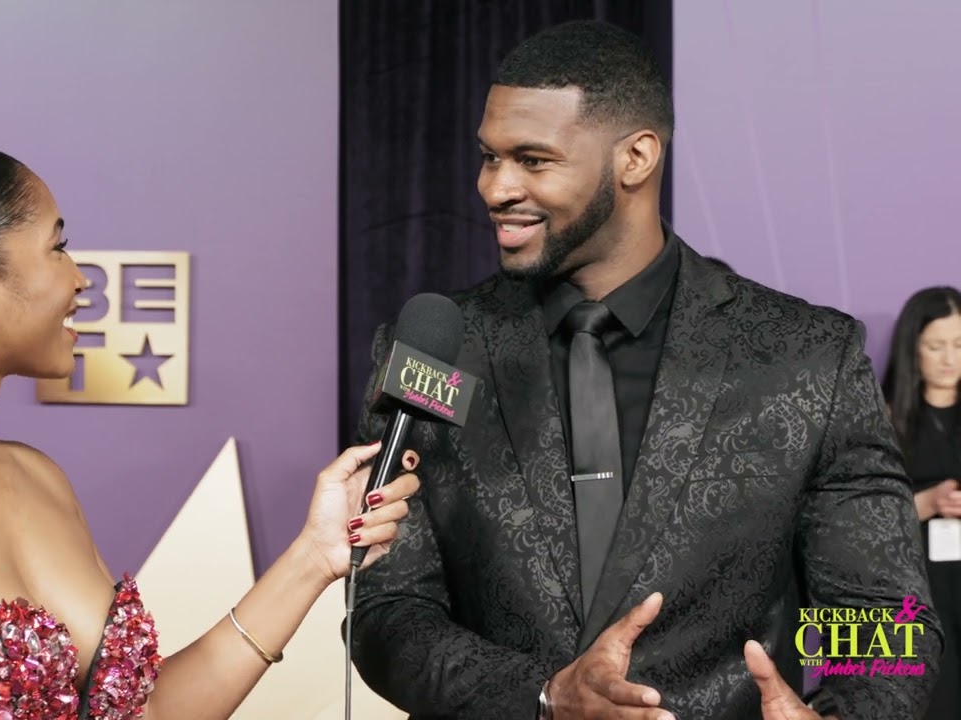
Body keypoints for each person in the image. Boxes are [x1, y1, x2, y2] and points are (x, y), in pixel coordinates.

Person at [347, 20, 941, 720]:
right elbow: (389, 607)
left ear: (636, 158)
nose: (495, 187)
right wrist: (542, 699)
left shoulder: (807, 356)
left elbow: (879, 617)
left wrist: (841, 716)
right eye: (489, 157)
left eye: (533, 160)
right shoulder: (436, 348)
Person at [0, 141, 421, 720]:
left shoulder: (36, 477)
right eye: (58, 248)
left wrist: (315, 556)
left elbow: (145, 714)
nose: (81, 280)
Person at [882, 286, 961, 720]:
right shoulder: (887, 420)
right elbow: (863, 520)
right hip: (917, 595)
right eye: (936, 345)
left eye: (960, 344)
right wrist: (928, 503)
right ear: (913, 348)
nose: (949, 358)